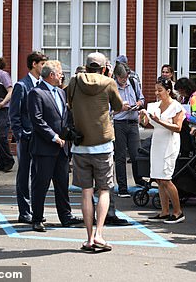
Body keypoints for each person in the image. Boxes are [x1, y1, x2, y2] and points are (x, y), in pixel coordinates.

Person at [67, 52, 123, 252]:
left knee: (86, 193)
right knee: (105, 190)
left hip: (80, 144)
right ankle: (99, 234)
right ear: (104, 68)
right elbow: (118, 106)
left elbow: (69, 103)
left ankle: (89, 238)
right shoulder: (108, 82)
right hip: (103, 144)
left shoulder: (74, 82)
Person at [28, 60, 83, 232]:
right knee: (41, 185)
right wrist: (53, 137)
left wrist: (69, 135)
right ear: (51, 75)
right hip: (45, 148)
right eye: (59, 73)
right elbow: (37, 120)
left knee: (62, 184)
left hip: (62, 148)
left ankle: (65, 216)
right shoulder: (36, 93)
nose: (62, 76)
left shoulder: (60, 92)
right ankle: (37, 218)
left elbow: (64, 117)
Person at [9, 50, 48, 224]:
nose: (44, 67)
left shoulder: (43, 85)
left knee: (38, 174)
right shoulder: (21, 85)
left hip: (40, 138)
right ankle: (24, 211)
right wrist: (20, 135)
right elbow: (14, 113)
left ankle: (35, 210)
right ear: (34, 64)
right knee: (24, 174)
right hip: (26, 137)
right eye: (42, 64)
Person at [142, 77, 186, 224]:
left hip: (169, 143)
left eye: (160, 90)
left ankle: (178, 212)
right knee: (159, 178)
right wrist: (143, 117)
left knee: (166, 178)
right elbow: (146, 124)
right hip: (157, 141)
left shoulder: (176, 106)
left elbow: (178, 128)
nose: (157, 93)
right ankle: (164, 211)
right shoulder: (154, 106)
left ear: (168, 91)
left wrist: (160, 121)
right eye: (156, 90)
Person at [113, 62, 145, 197]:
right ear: (116, 76)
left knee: (136, 154)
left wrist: (138, 104)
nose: (124, 80)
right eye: (122, 78)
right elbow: (108, 109)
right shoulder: (112, 86)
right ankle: (122, 187)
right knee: (120, 156)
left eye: (126, 77)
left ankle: (139, 180)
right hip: (119, 122)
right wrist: (121, 108)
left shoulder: (133, 82)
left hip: (133, 122)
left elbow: (142, 98)